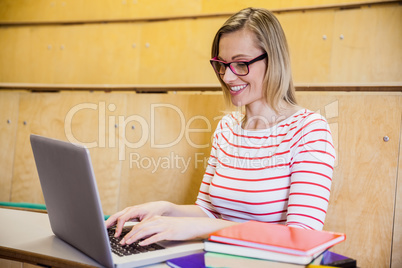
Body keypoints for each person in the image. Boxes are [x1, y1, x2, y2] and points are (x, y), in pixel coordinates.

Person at [105, 7, 335, 247]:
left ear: (274, 60)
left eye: (241, 63)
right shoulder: (227, 127)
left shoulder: (310, 130)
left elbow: (302, 236)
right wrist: (166, 209)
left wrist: (201, 229)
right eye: (222, 65)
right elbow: (208, 211)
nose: (227, 77)